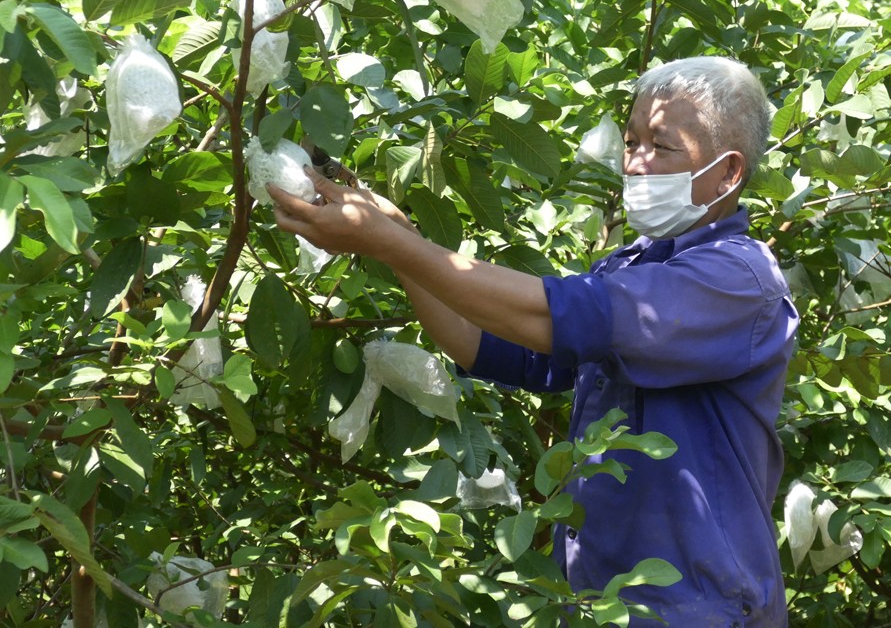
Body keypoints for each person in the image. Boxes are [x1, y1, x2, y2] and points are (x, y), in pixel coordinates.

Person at [268, 56, 799, 627]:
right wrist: (398, 242)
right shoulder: (632, 266)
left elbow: (559, 314)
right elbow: (485, 343)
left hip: (701, 609)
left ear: (728, 173)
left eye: (661, 147)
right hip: (602, 603)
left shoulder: (738, 280)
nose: (637, 163)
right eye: (631, 140)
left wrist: (397, 246)